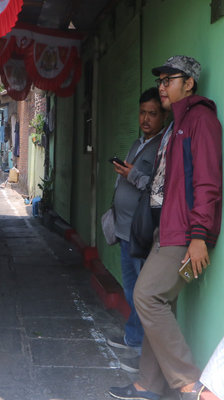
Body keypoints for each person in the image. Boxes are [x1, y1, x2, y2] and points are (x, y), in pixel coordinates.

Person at [108, 56, 222, 400]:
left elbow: (208, 183)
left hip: (185, 234)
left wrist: (199, 236)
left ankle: (190, 384)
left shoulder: (201, 120)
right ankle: (148, 384)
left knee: (146, 296)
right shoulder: (177, 123)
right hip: (165, 229)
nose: (162, 86)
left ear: (188, 83)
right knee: (162, 302)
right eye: (160, 81)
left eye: (169, 79)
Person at [107, 87, 166, 373]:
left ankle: (142, 351)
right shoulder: (137, 142)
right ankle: (133, 337)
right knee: (130, 288)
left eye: (152, 114)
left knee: (141, 293)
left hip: (140, 232)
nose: (145, 119)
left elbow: (157, 188)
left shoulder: (162, 147)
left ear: (163, 116)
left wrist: (131, 174)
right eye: (142, 112)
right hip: (123, 229)